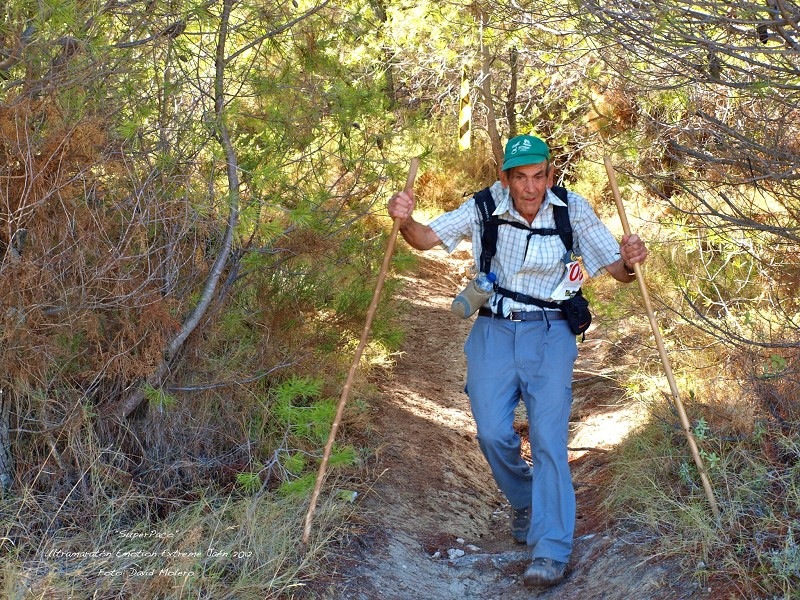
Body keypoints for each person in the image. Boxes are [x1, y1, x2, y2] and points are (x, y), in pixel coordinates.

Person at [387, 134, 648, 589]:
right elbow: (425, 239)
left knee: (548, 437)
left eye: (539, 176)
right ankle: (524, 496)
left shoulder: (571, 209)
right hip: (493, 327)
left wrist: (631, 260)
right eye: (520, 177)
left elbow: (619, 273)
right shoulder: (484, 206)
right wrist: (404, 219)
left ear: (550, 173)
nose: (530, 188)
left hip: (552, 331)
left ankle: (550, 549)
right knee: (490, 430)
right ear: (505, 177)